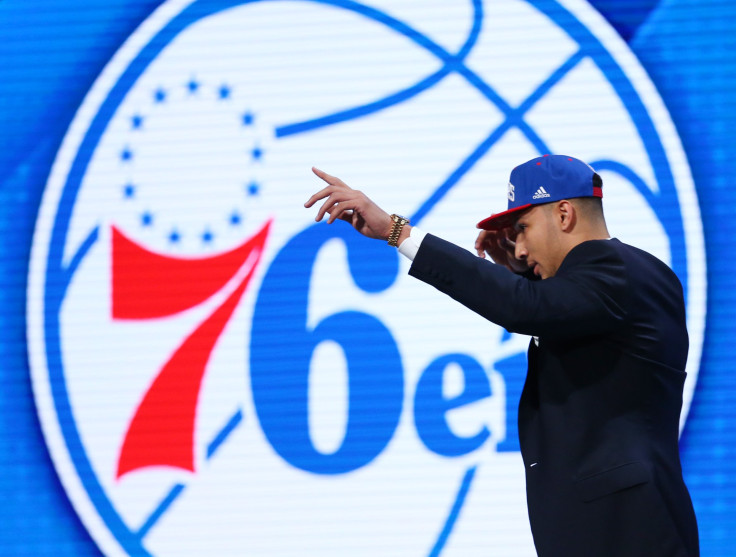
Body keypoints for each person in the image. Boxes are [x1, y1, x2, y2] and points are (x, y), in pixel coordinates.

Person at [304, 154, 699, 557]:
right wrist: (525, 276)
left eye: (523, 229)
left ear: (564, 214)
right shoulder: (611, 283)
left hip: (628, 530)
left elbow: (524, 308)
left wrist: (395, 231)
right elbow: (553, 310)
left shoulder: (618, 269)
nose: (521, 250)